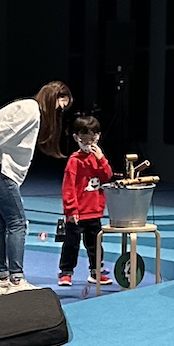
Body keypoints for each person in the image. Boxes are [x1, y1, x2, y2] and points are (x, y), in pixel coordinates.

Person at [0, 80, 73, 294]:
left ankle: (2, 280)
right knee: (17, 223)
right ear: (54, 98)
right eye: (60, 106)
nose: (59, 112)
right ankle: (16, 279)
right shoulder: (30, 110)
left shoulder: (24, 106)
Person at [57, 113, 115, 288]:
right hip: (77, 213)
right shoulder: (74, 161)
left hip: (94, 211)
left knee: (95, 244)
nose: (89, 143)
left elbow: (107, 176)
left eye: (93, 138)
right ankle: (66, 273)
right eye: (85, 138)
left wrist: (101, 159)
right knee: (71, 244)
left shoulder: (98, 158)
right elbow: (68, 187)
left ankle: (96, 271)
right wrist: (71, 209)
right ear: (77, 138)